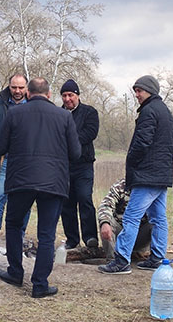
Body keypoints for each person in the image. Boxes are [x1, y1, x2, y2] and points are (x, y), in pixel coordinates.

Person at [0, 77, 81, 298]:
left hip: (21, 180)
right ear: (49, 95)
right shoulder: (64, 117)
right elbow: (76, 153)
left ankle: (15, 272)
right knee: (47, 234)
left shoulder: (14, 114)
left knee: (13, 225)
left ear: (28, 93)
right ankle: (40, 284)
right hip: (53, 183)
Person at [99, 75, 173, 274]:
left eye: (139, 90)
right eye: (135, 90)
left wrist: (131, 161)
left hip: (147, 175)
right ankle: (157, 258)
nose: (136, 94)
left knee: (131, 217)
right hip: (162, 175)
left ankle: (121, 260)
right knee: (159, 218)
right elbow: (172, 143)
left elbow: (142, 143)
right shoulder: (166, 113)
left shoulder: (149, 111)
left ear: (149, 90)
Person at [0, 74, 30, 244]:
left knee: (23, 200)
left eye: (21, 87)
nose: (17, 91)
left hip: (25, 161)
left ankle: (19, 237)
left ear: (26, 88)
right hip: (4, 159)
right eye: (14, 87)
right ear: (8, 86)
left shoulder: (32, 105)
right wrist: (0, 144)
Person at [59, 79, 100, 249]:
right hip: (64, 166)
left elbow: (89, 134)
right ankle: (72, 239)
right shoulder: (57, 114)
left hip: (83, 165)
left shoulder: (89, 112)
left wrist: (68, 140)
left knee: (85, 199)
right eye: (64, 95)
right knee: (66, 204)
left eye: (71, 95)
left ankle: (90, 237)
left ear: (77, 95)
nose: (68, 99)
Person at [97, 178, 152, 261]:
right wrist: (105, 222)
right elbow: (106, 205)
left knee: (156, 222)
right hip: (121, 231)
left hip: (141, 234)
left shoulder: (151, 189)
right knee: (106, 222)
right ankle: (112, 260)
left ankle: (155, 260)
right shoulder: (120, 186)